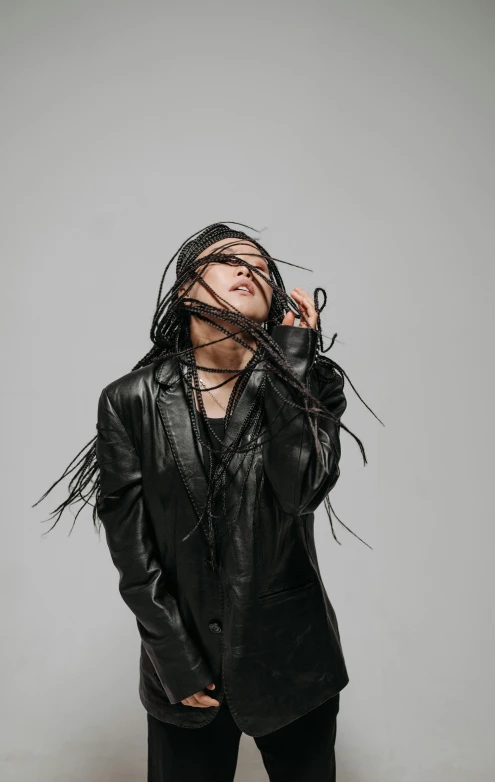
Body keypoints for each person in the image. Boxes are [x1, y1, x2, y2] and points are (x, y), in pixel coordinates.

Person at [34, 222, 381, 781]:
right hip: (183, 665)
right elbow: (132, 548)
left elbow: (300, 491)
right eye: (226, 259)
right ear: (185, 291)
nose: (247, 269)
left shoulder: (309, 383)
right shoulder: (131, 401)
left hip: (294, 662)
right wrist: (176, 659)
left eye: (260, 267)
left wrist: (294, 363)